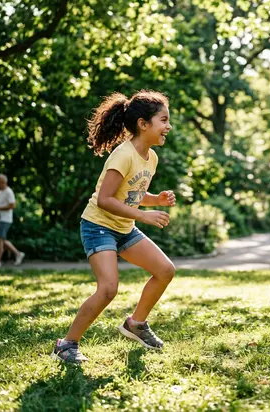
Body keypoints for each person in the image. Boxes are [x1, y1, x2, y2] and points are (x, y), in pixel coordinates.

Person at [52, 90, 176, 364]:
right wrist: (143, 216)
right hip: (98, 226)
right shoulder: (123, 155)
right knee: (108, 288)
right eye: (164, 120)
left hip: (123, 227)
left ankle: (136, 324)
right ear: (143, 124)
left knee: (165, 270)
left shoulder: (150, 157)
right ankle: (66, 344)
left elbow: (131, 193)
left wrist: (156, 199)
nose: (168, 126)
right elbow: (106, 200)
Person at [0, 175, 25, 267]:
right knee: (0, 239)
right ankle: (18, 254)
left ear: (3, 182)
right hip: (1, 219)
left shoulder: (9, 192)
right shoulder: (0, 192)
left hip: (5, 219)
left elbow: (12, 206)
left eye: (0, 182)